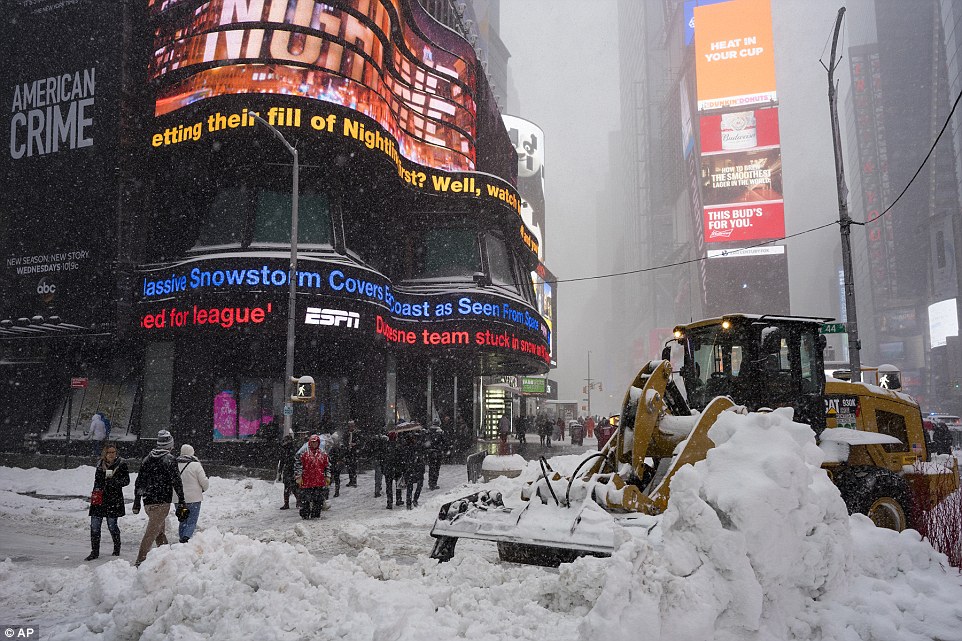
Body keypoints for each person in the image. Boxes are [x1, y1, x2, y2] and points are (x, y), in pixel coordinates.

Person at [133, 430, 186, 567]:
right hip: (161, 503)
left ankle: (167, 558)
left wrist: (137, 501)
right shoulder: (169, 460)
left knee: (159, 532)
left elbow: (139, 482)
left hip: (148, 502)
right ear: (169, 445)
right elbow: (177, 482)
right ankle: (140, 562)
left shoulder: (147, 459)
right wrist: (182, 500)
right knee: (151, 534)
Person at [85, 442, 130, 561]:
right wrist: (97, 490)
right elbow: (97, 479)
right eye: (109, 452)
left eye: (113, 452)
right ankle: (94, 552)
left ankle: (116, 548)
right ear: (105, 453)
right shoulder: (100, 464)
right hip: (99, 498)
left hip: (113, 499)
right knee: (95, 526)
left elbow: (126, 481)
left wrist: (114, 482)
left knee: (112, 525)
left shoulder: (121, 464)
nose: (111, 455)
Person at [175, 444, 209, 543]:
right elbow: (204, 481)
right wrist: (203, 489)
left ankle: (182, 537)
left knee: (183, 519)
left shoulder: (174, 464)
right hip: (194, 498)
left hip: (179, 499)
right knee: (191, 521)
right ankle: (186, 538)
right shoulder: (196, 465)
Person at [295, 434, 330, 519]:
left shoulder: (323, 453)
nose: (314, 444)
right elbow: (298, 465)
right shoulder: (304, 453)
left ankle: (316, 514)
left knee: (318, 499)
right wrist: (299, 476)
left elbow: (327, 466)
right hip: (307, 480)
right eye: (313, 442)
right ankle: (305, 514)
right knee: (305, 499)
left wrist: (327, 476)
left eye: (316, 442)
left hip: (319, 480)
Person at [278, 433, 299, 509]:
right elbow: (282, 461)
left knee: (293, 488)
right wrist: (280, 473)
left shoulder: (293, 449)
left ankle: (297, 502)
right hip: (288, 470)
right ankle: (287, 503)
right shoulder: (285, 450)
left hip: (292, 470)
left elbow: (296, 461)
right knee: (288, 488)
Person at [425, 421, 447, 491]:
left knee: (431, 468)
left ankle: (430, 483)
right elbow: (445, 442)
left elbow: (426, 442)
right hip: (438, 452)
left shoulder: (429, 431)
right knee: (436, 468)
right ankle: (434, 483)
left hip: (430, 452)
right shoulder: (440, 432)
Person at [343, 420, 360, 487]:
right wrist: (347, 445)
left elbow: (360, 442)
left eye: (352, 426)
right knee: (349, 467)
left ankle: (354, 481)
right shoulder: (346, 433)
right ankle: (351, 480)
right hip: (348, 452)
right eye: (349, 426)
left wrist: (355, 444)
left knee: (354, 467)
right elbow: (344, 441)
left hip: (354, 452)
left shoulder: (356, 433)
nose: (351, 427)